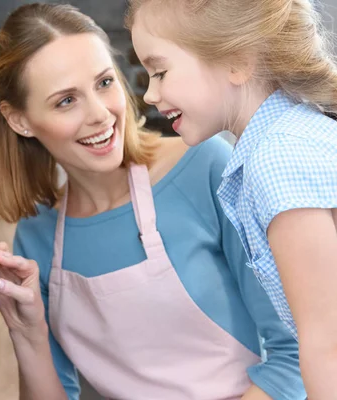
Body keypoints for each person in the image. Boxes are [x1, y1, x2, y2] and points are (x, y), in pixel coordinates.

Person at [0, 3, 305, 400]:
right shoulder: (37, 236)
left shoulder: (205, 169)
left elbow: (295, 354)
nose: (101, 115)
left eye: (104, 83)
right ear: (20, 120)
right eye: (66, 100)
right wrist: (27, 334)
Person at [126, 0, 337, 397]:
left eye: (161, 71)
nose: (150, 94)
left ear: (238, 62)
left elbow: (328, 346)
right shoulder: (291, 137)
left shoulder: (279, 159)